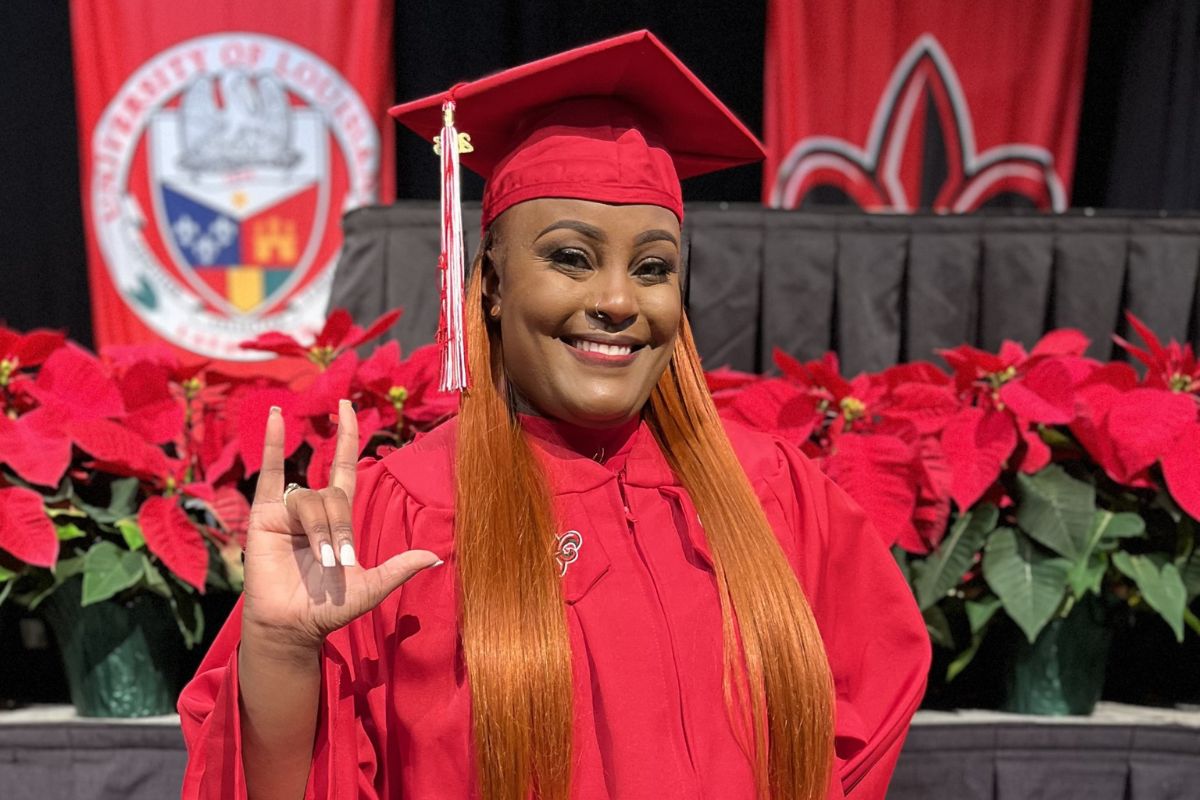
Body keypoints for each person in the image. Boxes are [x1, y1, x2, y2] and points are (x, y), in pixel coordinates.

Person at [178, 30, 929, 800]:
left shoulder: (774, 496)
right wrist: (279, 651)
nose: (616, 301)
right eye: (570, 257)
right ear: (494, 284)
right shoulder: (396, 519)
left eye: (653, 268)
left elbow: (860, 729)